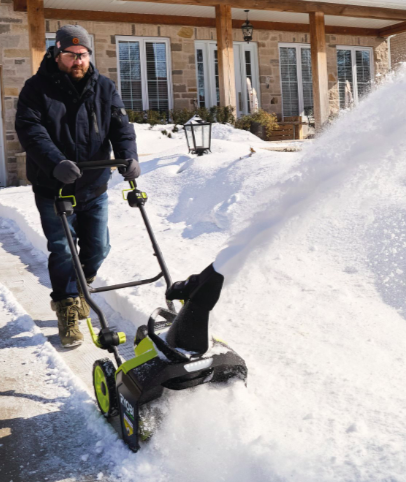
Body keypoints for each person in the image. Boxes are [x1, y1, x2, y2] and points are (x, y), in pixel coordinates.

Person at [15, 25, 140, 347]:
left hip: (94, 185)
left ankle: (81, 287)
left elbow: (121, 127)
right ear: (57, 54)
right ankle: (68, 306)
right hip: (53, 187)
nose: (78, 61)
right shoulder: (35, 88)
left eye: (82, 55)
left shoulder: (105, 87)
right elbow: (31, 131)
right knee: (62, 250)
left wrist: (129, 157)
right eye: (71, 55)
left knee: (98, 248)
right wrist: (55, 162)